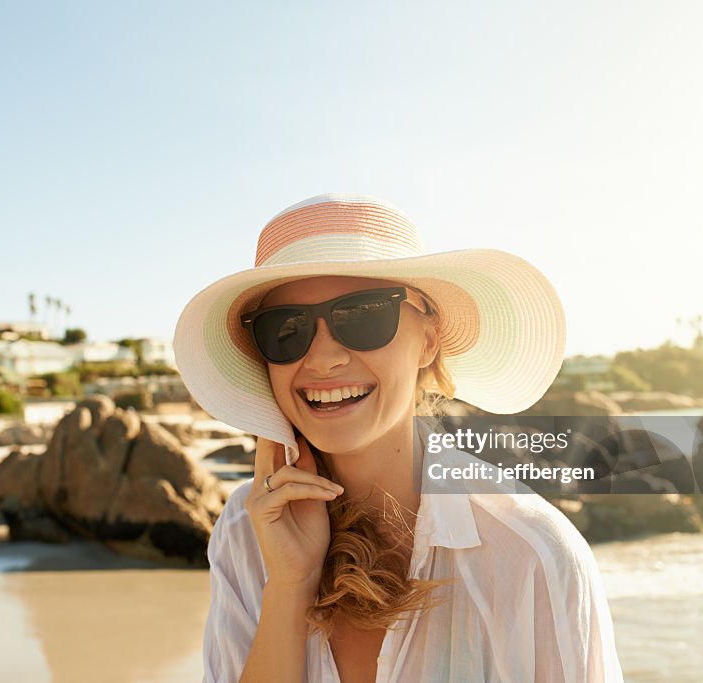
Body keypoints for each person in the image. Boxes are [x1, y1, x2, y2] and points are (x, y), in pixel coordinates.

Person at [174, 194, 622, 682]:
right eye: (285, 329)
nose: (322, 359)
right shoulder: (246, 531)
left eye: (364, 315)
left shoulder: (529, 550)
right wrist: (290, 583)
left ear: (428, 339)